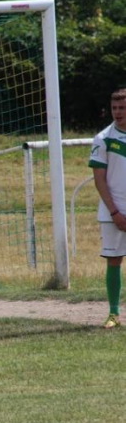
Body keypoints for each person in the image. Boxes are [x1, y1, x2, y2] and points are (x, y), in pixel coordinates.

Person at [90, 87, 126, 328]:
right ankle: (113, 313)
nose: (118, 112)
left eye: (122, 108)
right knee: (114, 260)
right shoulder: (103, 139)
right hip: (113, 211)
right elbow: (99, 179)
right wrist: (114, 212)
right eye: (114, 108)